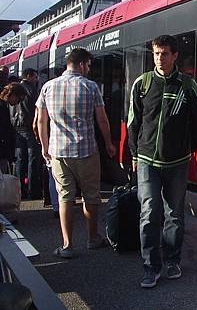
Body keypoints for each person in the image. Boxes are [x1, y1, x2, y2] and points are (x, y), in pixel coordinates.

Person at [128, 35, 197, 289]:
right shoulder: (142, 84)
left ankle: (172, 260)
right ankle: (150, 267)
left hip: (177, 161)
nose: (160, 58)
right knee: (149, 212)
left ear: (175, 56)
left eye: (165, 54)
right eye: (156, 53)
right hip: (147, 160)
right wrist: (133, 154)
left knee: (174, 214)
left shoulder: (188, 86)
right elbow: (134, 121)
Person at [36, 48, 116, 259]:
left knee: (65, 198)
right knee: (91, 196)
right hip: (86, 150)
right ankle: (92, 239)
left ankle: (67, 245)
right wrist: (108, 142)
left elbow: (41, 122)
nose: (89, 69)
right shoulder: (90, 87)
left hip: (58, 153)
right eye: (89, 65)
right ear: (82, 64)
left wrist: (45, 148)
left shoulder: (48, 87)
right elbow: (102, 120)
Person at [10, 69, 42, 199]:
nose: (36, 80)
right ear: (29, 76)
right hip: (29, 129)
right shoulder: (31, 89)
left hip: (17, 128)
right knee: (32, 160)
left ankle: (18, 191)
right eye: (35, 77)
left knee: (20, 160)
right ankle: (33, 190)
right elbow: (37, 109)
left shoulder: (14, 89)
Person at [0, 83, 26, 174]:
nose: (18, 103)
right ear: (13, 95)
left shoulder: (4, 106)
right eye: (19, 99)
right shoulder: (3, 107)